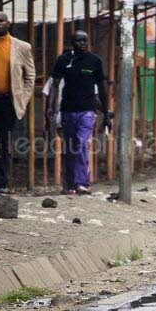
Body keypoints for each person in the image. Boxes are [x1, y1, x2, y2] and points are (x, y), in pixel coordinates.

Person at [46, 31, 109, 195]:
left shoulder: (95, 61)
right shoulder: (64, 60)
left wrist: (107, 114)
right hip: (67, 110)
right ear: (72, 42)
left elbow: (102, 89)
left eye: (84, 41)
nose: (82, 44)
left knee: (81, 143)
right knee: (70, 147)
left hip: (87, 110)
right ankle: (70, 184)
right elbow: (54, 84)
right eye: (78, 41)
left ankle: (82, 183)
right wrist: (50, 108)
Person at [0, 11, 35, 196]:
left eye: (2, 20)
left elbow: (30, 76)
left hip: (7, 102)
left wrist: (22, 99)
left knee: (0, 143)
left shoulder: (22, 47)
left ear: (9, 23)